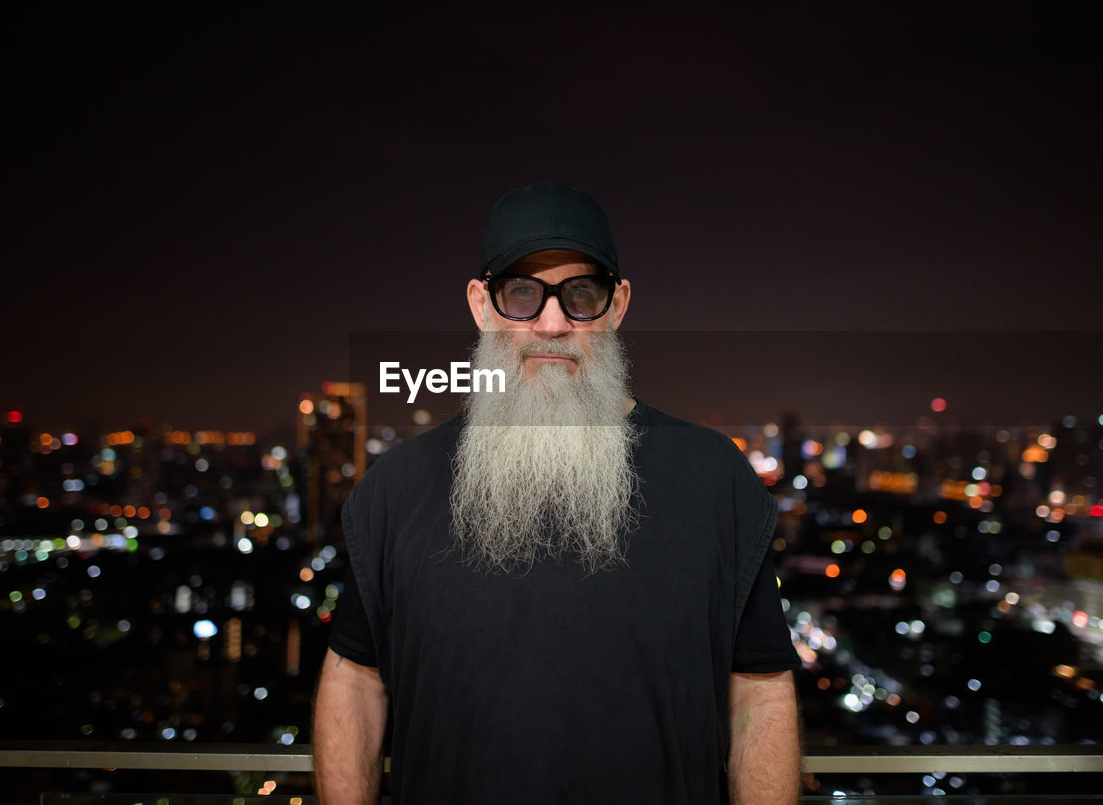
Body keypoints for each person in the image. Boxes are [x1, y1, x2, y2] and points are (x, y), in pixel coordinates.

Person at [314, 183, 801, 804]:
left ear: (617, 305)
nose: (552, 322)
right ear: (481, 305)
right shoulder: (398, 485)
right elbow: (355, 680)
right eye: (522, 293)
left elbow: (759, 694)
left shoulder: (715, 479)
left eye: (581, 294)